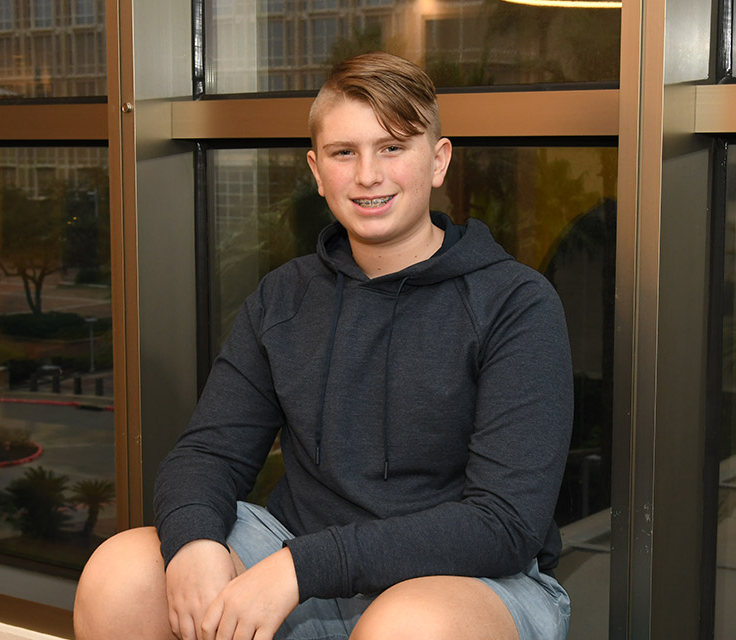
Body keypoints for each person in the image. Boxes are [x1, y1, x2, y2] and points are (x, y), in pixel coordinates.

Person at [73, 51, 573, 640]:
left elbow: (504, 523)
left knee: (405, 628)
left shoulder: (516, 302)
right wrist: (194, 543)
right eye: (344, 153)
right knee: (124, 574)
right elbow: (208, 454)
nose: (368, 175)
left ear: (438, 162)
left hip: (470, 583)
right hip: (301, 554)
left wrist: (300, 568)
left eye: (392, 147)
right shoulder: (284, 297)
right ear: (317, 170)